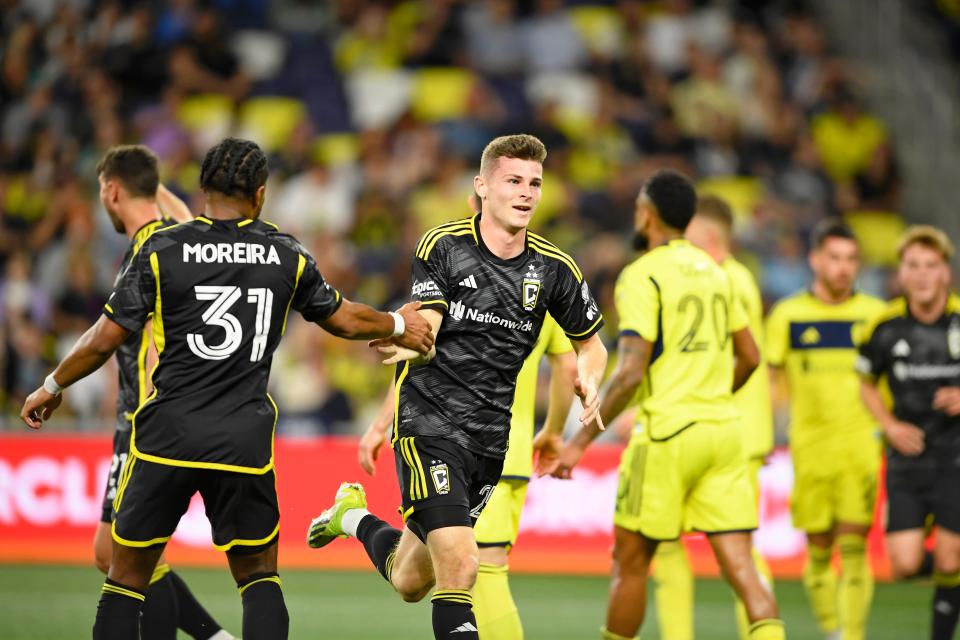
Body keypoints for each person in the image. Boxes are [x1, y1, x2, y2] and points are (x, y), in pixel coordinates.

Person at [20, 137, 434, 640]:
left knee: (124, 580)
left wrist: (51, 384)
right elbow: (345, 320)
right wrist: (396, 324)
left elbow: (103, 338)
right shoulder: (286, 253)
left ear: (202, 188)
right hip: (242, 441)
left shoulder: (161, 249)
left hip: (164, 438)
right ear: (260, 194)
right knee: (258, 578)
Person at [307, 134, 608, 640]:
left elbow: (591, 344)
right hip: (430, 425)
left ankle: (352, 516)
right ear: (483, 186)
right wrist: (415, 342)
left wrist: (591, 375)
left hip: (490, 440)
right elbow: (429, 319)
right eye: (513, 181)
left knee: (411, 579)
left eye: (535, 183)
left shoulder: (554, 269)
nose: (526, 192)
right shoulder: (443, 246)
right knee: (465, 563)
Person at [554, 170, 784, 640]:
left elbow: (632, 371)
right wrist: (710, 394)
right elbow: (751, 356)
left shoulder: (642, 274)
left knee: (631, 563)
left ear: (647, 214)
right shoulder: (718, 272)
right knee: (741, 566)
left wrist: (578, 442)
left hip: (667, 435)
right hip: (723, 432)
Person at [358, 311, 575, 639]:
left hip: (490, 455)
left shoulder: (459, 274)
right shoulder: (548, 281)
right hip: (483, 452)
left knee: (410, 579)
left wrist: (379, 424)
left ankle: (352, 517)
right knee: (481, 566)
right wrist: (554, 432)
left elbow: (415, 345)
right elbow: (568, 363)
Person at [93, 144, 234, 640]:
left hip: (144, 419)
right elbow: (185, 218)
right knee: (124, 553)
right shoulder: (166, 237)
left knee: (122, 554)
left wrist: (54, 383)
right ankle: (215, 638)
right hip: (144, 417)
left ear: (111, 192)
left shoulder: (151, 246)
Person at [647, 194, 776, 640]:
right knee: (730, 550)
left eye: (690, 236)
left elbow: (717, 359)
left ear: (711, 238)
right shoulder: (738, 279)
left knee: (683, 545)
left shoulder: (719, 280)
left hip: (715, 426)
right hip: (733, 428)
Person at [765, 219, 886, 640]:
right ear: (815, 260)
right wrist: (766, 433)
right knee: (818, 552)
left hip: (860, 447)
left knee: (854, 548)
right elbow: (771, 380)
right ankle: (832, 629)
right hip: (810, 447)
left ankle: (851, 636)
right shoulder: (788, 315)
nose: (843, 267)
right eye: (834, 258)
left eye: (851, 259)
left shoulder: (876, 316)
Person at [857, 225, 960, 640]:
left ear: (945, 273)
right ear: (900, 273)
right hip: (906, 458)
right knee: (902, 564)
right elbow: (865, 384)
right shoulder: (884, 327)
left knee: (951, 561)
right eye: (912, 265)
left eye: (930, 266)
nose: (921, 274)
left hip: (955, 455)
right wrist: (890, 424)